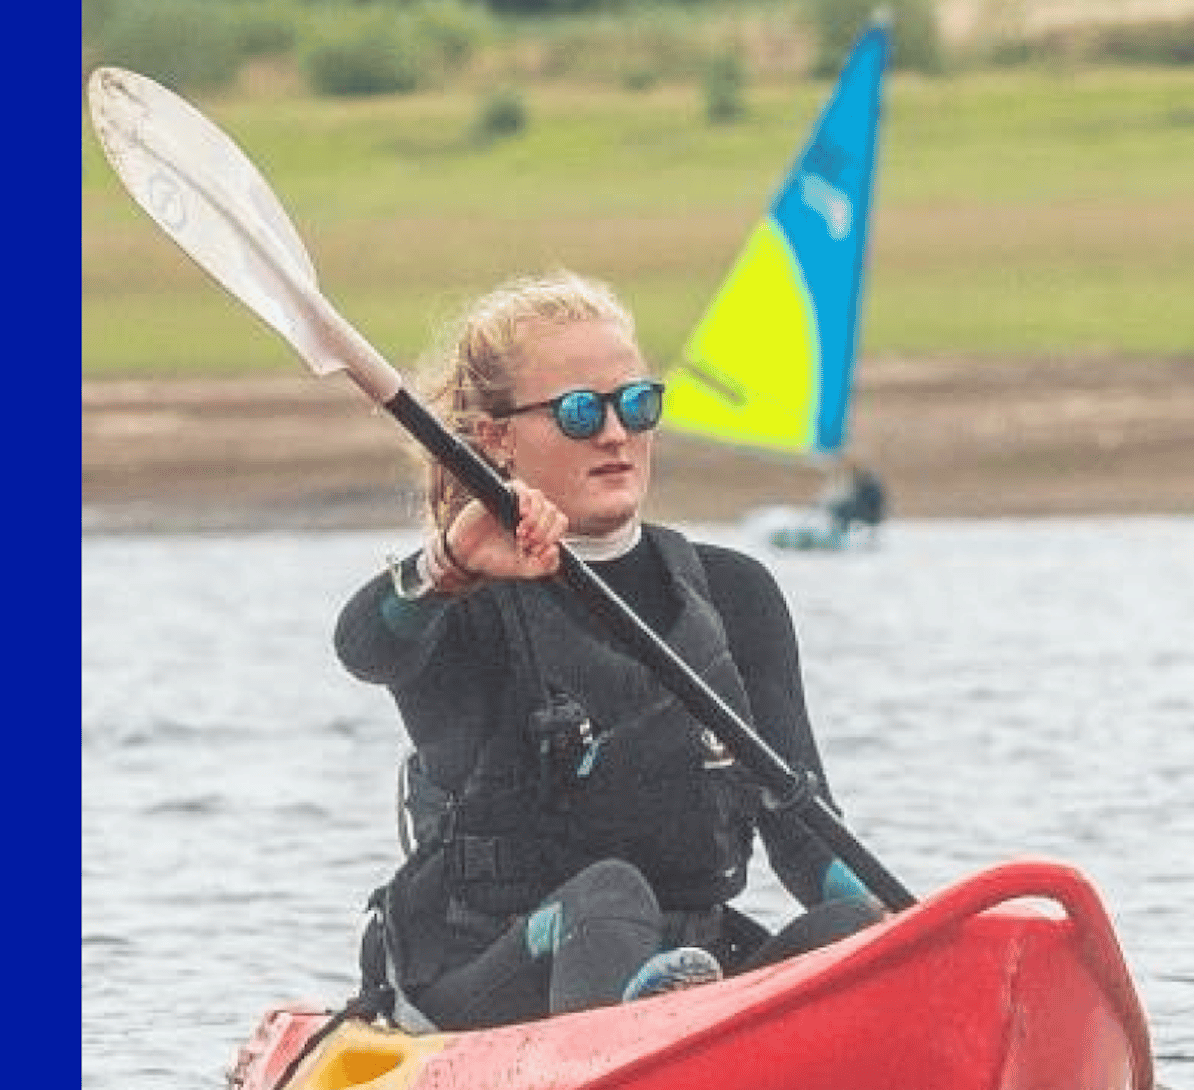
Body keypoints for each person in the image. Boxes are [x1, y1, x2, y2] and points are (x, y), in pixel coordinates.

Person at [334, 270, 886, 1028]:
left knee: (852, 933)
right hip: (487, 978)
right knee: (609, 894)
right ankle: (627, 1071)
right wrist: (447, 566)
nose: (615, 433)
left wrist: (901, 938)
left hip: (684, 963)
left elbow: (802, 827)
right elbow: (364, 647)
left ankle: (681, 1029)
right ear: (497, 438)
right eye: (579, 412)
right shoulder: (461, 601)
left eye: (635, 404)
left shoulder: (735, 594)